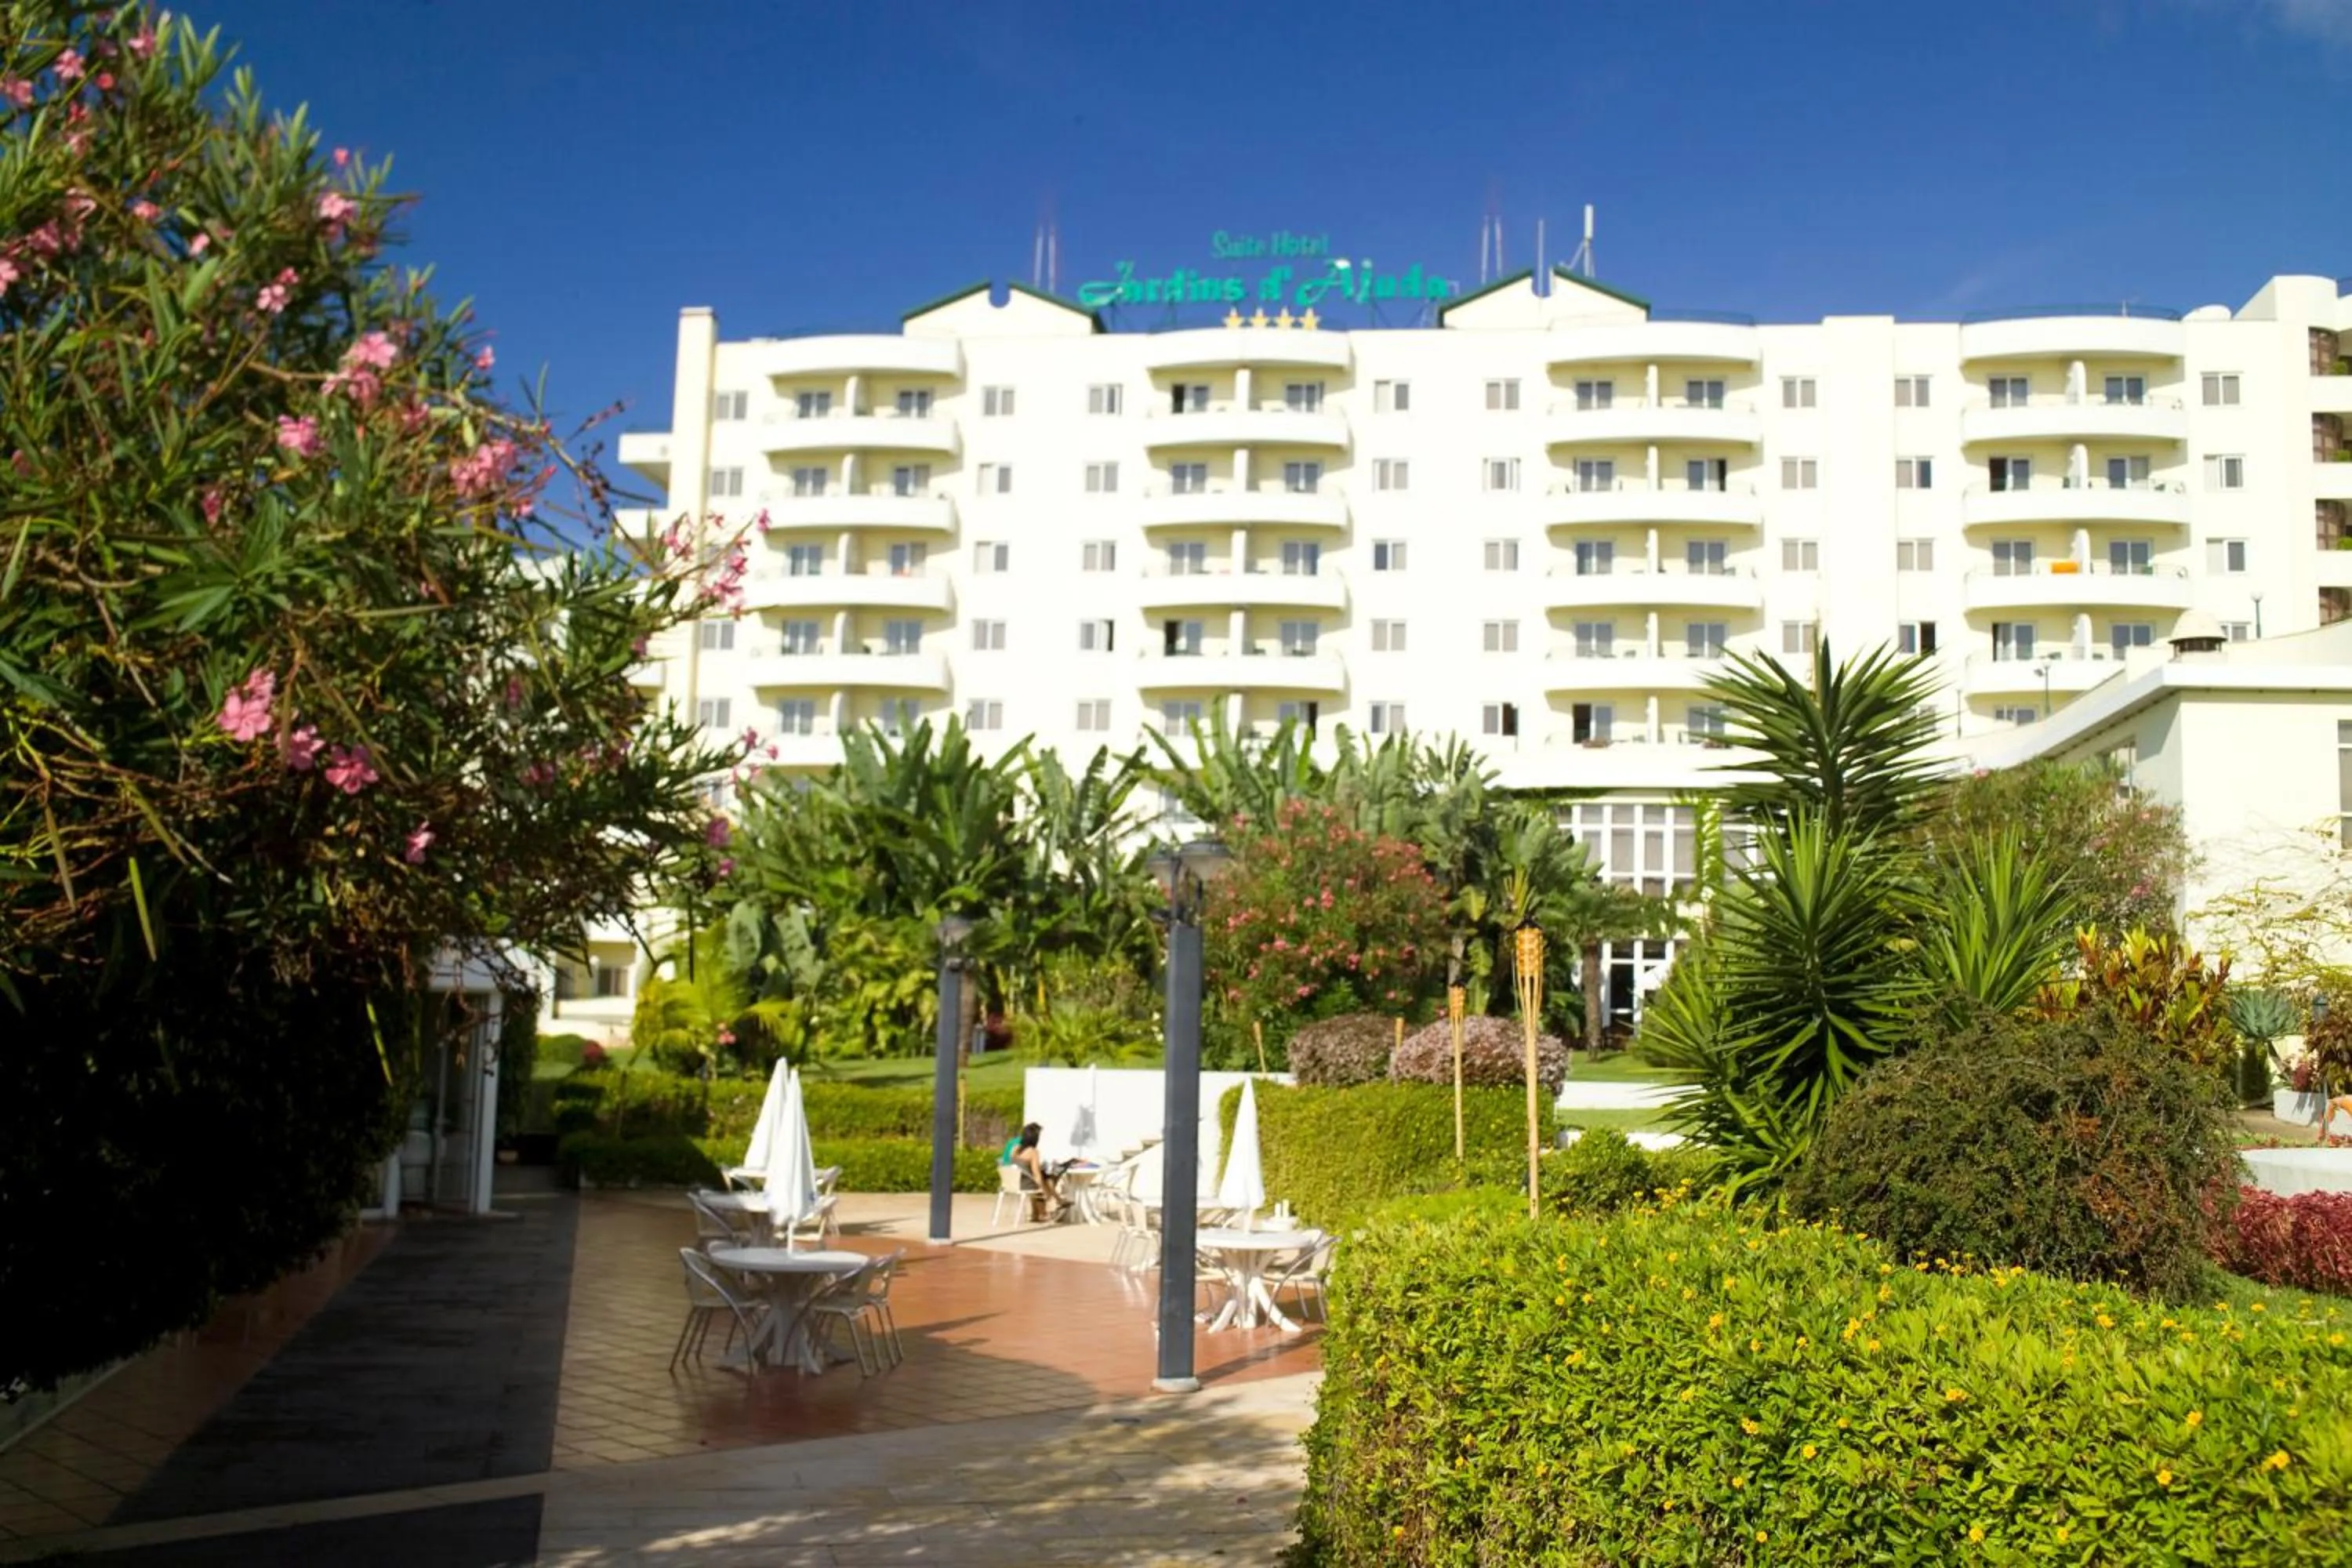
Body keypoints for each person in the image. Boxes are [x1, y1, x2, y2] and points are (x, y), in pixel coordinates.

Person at [998, 1123, 1067, 1221]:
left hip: (1015, 1182)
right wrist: (1044, 1191)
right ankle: (1050, 1208)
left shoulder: (1015, 1149)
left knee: (1045, 1179)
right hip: (1026, 1184)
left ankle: (1040, 1213)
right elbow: (1036, 1174)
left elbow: (1018, 1165)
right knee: (1048, 1179)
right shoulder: (1033, 1152)